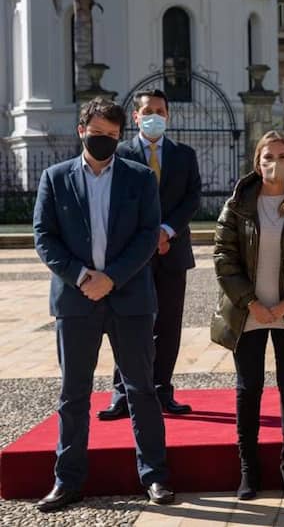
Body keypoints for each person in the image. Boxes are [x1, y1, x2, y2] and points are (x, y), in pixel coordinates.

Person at [32, 98, 174, 512]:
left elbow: (148, 234)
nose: (105, 141)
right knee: (73, 395)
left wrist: (112, 277)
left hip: (129, 298)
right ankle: (68, 480)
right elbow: (44, 237)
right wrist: (81, 277)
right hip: (76, 301)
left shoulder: (140, 178)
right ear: (81, 130)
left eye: (112, 136)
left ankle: (155, 477)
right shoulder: (55, 178)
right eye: (98, 133)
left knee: (141, 390)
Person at [212, 131, 284, 500]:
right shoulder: (239, 203)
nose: (272, 163)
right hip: (246, 312)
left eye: (280, 156)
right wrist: (251, 302)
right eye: (266, 156)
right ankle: (249, 471)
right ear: (257, 161)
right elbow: (223, 257)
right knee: (249, 390)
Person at [99, 89, 202, 419]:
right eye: (148, 110)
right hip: (131, 255)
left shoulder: (184, 155)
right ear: (135, 116)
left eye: (160, 110)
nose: (154, 115)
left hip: (172, 250)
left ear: (168, 116)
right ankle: (122, 393)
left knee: (168, 325)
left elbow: (191, 198)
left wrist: (166, 231)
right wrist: (146, 237)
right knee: (128, 323)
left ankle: (162, 390)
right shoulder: (121, 154)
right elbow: (113, 202)